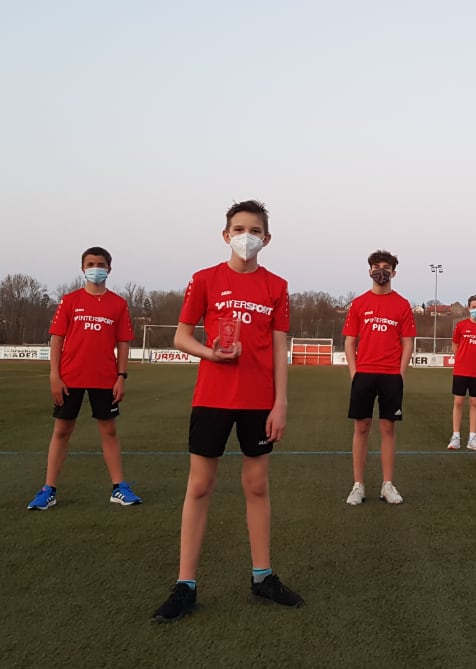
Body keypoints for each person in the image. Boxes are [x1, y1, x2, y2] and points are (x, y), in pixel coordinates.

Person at [153, 200, 302, 623]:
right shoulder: (204, 280)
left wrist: (281, 402)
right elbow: (181, 337)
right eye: (238, 228)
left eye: (254, 230)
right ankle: (186, 584)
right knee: (199, 487)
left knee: (256, 486)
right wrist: (210, 354)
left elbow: (279, 348)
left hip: (258, 401)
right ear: (225, 235)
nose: (246, 236)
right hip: (212, 398)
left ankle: (262, 576)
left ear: (266, 238)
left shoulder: (277, 286)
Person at [26, 247, 141, 510]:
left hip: (105, 378)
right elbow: (57, 339)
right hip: (70, 377)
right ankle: (48, 489)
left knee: (109, 431)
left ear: (109, 269)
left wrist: (121, 376)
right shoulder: (70, 300)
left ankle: (119, 487)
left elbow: (123, 343)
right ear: (82, 268)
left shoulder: (118, 304)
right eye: (90, 263)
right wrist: (54, 375)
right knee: (62, 431)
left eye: (100, 264)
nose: (95, 268)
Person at [343, 250, 416, 506]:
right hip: (364, 373)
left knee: (387, 427)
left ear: (394, 272)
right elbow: (350, 341)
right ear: (369, 271)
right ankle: (358, 485)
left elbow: (408, 343)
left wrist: (400, 372)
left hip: (390, 375)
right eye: (376, 266)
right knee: (361, 427)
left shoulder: (403, 304)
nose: (381, 271)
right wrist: (354, 373)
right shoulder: (359, 303)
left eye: (386, 267)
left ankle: (387, 484)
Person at [447, 295, 476, 451]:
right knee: (458, 402)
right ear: (468, 308)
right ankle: (456, 437)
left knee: (474, 403)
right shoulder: (460, 326)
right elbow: (455, 346)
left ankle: (472, 438)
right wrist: (461, 359)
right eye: (473, 307)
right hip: (461, 370)